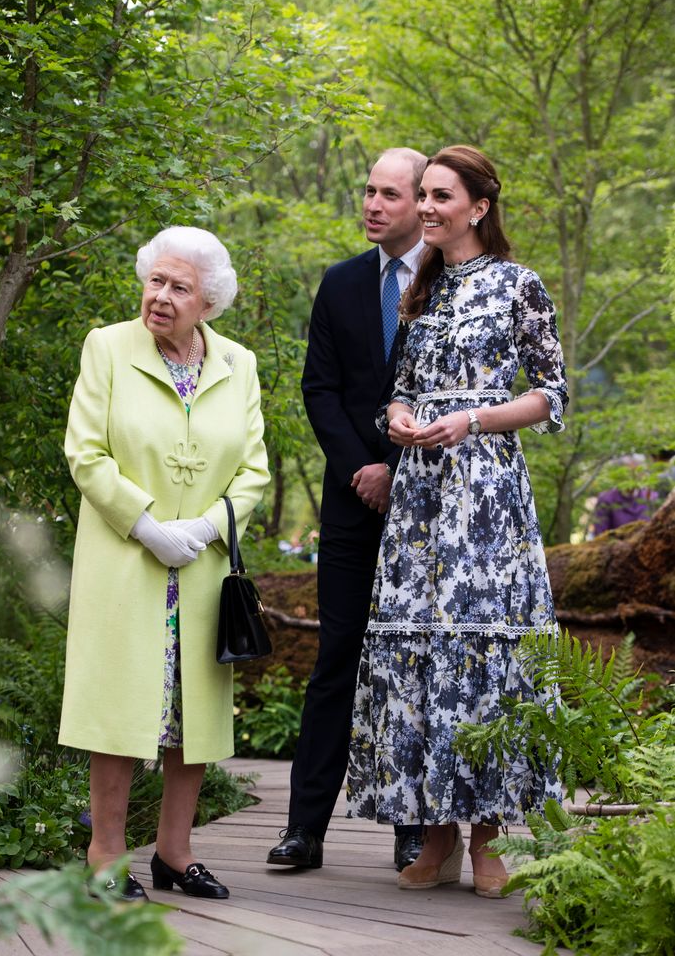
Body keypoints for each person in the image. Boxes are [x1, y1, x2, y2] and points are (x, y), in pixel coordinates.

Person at [346, 145, 568, 899]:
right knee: (421, 656)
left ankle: (489, 840)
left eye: (442, 197)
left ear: (478, 206)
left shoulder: (518, 286)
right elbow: (399, 391)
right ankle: (433, 837)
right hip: (419, 502)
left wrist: (471, 421)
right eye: (425, 196)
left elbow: (551, 397)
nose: (429, 208)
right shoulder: (424, 290)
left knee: (484, 657)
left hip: (485, 498)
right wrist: (401, 417)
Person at [59, 226, 270, 901]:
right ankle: (105, 855)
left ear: (207, 301)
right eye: (156, 280)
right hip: (128, 561)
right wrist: (147, 526)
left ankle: (175, 855)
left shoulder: (239, 363)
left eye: (179, 287)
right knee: (119, 713)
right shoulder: (109, 348)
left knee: (191, 716)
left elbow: (254, 470)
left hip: (202, 569)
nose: (161, 296)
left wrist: (208, 527)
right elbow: (85, 453)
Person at [267, 148, 427, 873]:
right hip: (349, 503)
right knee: (336, 658)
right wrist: (361, 468)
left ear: (421, 202)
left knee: (410, 664)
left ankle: (411, 830)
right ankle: (304, 831)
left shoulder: (454, 284)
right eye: (367, 190)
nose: (371, 203)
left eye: (388, 193)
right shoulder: (339, 284)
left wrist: (398, 470)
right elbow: (318, 389)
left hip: (428, 505)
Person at [591, 454, 659, 536]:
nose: (633, 477)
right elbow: (600, 534)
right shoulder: (607, 499)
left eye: (637, 472)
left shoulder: (651, 497)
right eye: (629, 473)